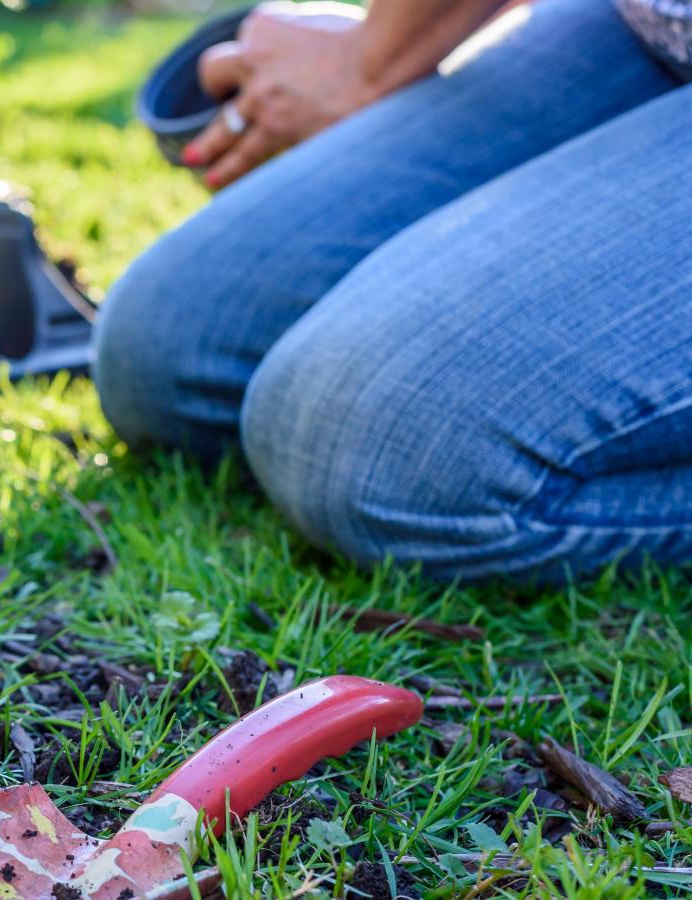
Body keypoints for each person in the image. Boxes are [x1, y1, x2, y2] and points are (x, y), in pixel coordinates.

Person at [93, 0, 692, 582]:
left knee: (378, 453)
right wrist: (372, 54)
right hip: (640, 28)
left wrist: (369, 64)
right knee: (165, 343)